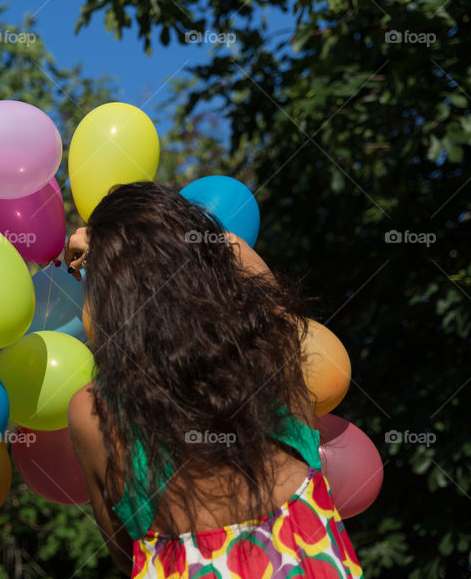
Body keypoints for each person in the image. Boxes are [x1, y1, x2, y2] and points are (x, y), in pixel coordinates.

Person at [64, 182, 361, 578]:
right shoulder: (273, 348)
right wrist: (164, 232)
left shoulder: (95, 412)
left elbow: (125, 553)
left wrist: (104, 248)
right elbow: (233, 252)